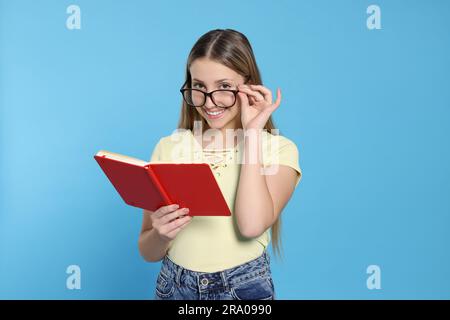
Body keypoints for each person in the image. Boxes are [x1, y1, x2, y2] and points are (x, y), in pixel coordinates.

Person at [138, 28, 302, 300]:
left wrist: (251, 134)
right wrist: (161, 235)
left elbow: (251, 226)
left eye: (224, 87)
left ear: (249, 85)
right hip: (173, 286)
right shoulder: (169, 147)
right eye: (199, 87)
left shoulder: (278, 150)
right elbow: (147, 251)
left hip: (240, 288)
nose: (209, 102)